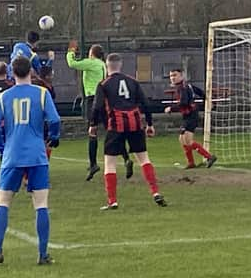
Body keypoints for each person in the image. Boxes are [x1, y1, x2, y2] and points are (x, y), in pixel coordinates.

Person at [0, 56, 61, 266]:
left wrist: (1, 147)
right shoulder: (42, 93)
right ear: (30, 72)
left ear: (12, 73)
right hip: (37, 155)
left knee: (4, 202)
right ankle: (43, 254)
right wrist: (53, 137)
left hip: (12, 155)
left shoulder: (5, 97)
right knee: (41, 204)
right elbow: (54, 120)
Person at [90, 54, 166, 211]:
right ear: (121, 65)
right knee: (144, 159)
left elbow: (97, 107)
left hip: (116, 125)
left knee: (110, 163)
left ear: (107, 65)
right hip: (135, 123)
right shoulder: (133, 81)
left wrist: (93, 124)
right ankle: (155, 191)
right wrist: (150, 124)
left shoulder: (103, 84)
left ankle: (113, 200)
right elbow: (145, 103)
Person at [67, 40, 132, 181]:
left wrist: (71, 51)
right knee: (112, 130)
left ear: (92, 53)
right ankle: (126, 158)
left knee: (92, 131)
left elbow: (72, 64)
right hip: (105, 100)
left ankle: (93, 164)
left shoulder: (92, 62)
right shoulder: (103, 64)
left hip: (93, 100)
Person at [164, 68, 216, 169]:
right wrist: (208, 100)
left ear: (181, 76)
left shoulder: (182, 87)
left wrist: (171, 108)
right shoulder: (187, 85)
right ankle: (191, 163)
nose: (172, 78)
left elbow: (184, 102)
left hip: (191, 115)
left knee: (188, 140)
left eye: (175, 75)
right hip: (188, 115)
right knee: (182, 139)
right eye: (171, 76)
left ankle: (209, 157)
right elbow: (200, 92)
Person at [33, 65, 56, 159]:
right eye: (51, 74)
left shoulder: (44, 86)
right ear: (47, 76)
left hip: (41, 118)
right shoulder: (43, 87)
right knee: (45, 142)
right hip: (42, 118)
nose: (53, 76)